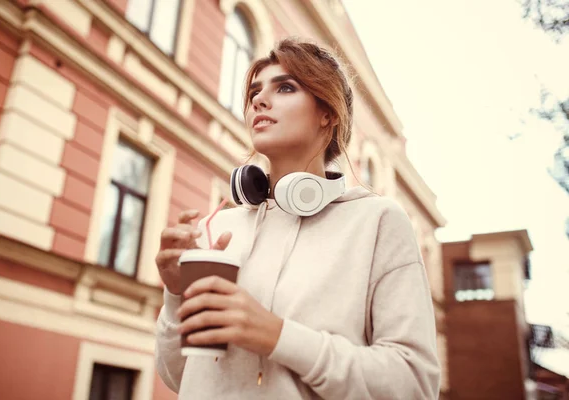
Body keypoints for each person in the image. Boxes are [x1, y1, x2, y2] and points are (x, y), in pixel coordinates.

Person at [155, 38, 441, 399]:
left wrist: (278, 336)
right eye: (255, 91)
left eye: (285, 87)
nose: (259, 100)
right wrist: (177, 294)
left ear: (328, 113)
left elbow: (414, 385)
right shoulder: (219, 227)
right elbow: (179, 377)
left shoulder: (377, 221)